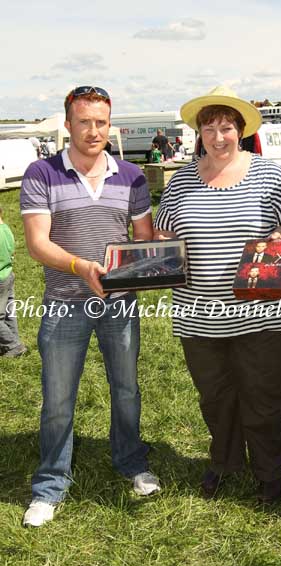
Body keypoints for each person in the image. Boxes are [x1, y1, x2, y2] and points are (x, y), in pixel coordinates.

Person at [154, 85, 281, 503]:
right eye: (210, 128)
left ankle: (269, 472)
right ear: (199, 133)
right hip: (198, 314)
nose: (218, 136)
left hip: (263, 315)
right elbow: (164, 235)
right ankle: (224, 463)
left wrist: (279, 235)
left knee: (265, 397)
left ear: (240, 131)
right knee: (216, 397)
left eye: (227, 127)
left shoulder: (268, 173)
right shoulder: (181, 181)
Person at [20, 85, 160, 528]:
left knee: (127, 390)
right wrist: (81, 266)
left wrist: (161, 257)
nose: (93, 130)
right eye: (84, 121)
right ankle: (50, 484)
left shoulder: (132, 176)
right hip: (64, 304)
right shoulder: (41, 172)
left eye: (101, 121)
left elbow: (144, 239)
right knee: (58, 399)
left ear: (109, 124)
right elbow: (37, 243)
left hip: (120, 304)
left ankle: (131, 462)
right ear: (68, 124)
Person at [0, 205, 27, 357]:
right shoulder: (6, 229)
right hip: (8, 275)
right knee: (9, 312)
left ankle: (13, 345)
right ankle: (10, 343)